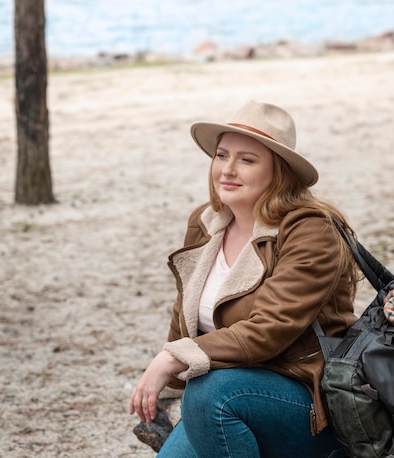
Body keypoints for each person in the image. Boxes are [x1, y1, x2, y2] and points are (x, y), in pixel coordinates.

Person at [129, 100, 359, 457]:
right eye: (221, 156)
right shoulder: (206, 223)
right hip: (225, 395)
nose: (228, 170)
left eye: (247, 160)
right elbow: (185, 319)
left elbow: (270, 327)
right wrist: (166, 389)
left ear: (278, 171)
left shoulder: (310, 231)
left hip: (308, 406)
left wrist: (173, 359)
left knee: (209, 392)